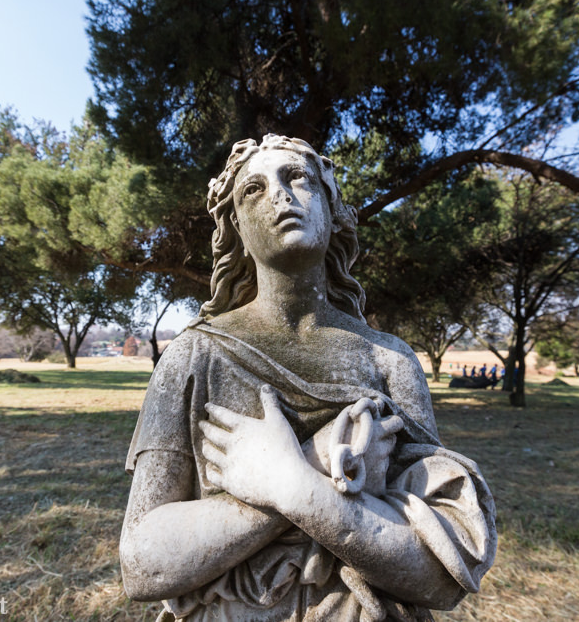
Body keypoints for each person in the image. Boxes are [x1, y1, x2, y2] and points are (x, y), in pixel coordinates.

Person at [120, 135, 496, 621]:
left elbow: (441, 578)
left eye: (297, 177)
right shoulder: (194, 357)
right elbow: (142, 565)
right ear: (235, 224)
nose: (279, 194)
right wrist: (315, 471)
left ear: (331, 204)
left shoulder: (390, 362)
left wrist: (291, 484)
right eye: (253, 189)